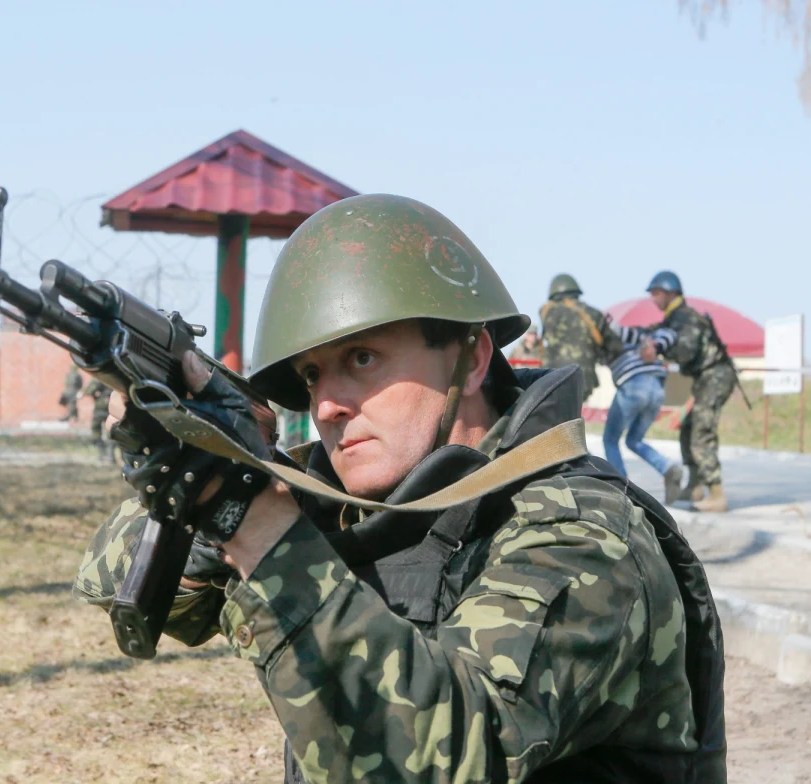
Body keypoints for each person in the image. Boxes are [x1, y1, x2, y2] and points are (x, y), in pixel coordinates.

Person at [74, 194, 727, 782]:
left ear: (470, 358)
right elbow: (127, 594)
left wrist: (254, 525)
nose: (327, 404)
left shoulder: (584, 535)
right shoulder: (362, 501)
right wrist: (188, 492)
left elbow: (443, 756)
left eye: (362, 359)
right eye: (310, 375)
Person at [641, 272, 738, 513]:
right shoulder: (674, 318)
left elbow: (686, 352)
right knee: (688, 427)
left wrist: (661, 349)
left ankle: (717, 493)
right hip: (706, 377)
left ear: (670, 292)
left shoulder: (684, 318)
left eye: (656, 293)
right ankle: (695, 486)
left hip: (716, 375)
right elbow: (659, 332)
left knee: (701, 430)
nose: (653, 299)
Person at [603, 323, 685, 502]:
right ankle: (667, 467)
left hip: (633, 385)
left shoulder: (619, 334)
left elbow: (614, 330)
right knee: (633, 440)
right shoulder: (650, 336)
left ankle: (621, 490)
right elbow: (670, 332)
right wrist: (653, 343)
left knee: (610, 439)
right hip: (657, 388)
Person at [538, 274, 622, 402]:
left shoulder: (545, 312)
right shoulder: (592, 313)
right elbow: (614, 346)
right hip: (581, 377)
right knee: (572, 413)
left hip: (549, 377)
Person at [81, 375, 114, 464]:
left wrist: (96, 397)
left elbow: (89, 390)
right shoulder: (114, 375)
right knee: (111, 430)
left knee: (96, 429)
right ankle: (111, 456)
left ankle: (101, 454)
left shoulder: (100, 376)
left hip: (101, 407)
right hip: (112, 406)